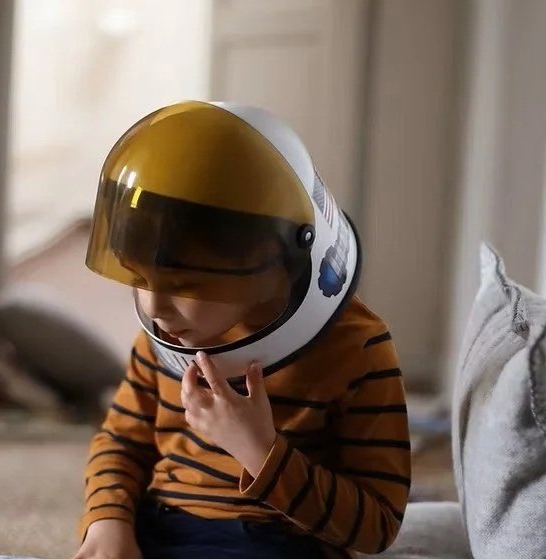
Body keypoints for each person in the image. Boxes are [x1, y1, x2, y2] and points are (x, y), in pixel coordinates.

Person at [72, 101, 410, 559]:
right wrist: (108, 522)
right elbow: (121, 441)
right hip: (162, 527)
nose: (155, 307)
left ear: (273, 265)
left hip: (278, 542)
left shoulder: (357, 348)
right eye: (139, 278)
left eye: (184, 284)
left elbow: (376, 526)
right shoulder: (164, 337)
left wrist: (259, 449)